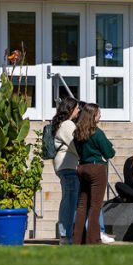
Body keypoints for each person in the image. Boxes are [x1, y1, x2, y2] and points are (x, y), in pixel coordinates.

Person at [72, 102, 115, 245]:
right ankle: (93, 239)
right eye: (98, 113)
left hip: (82, 167)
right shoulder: (97, 132)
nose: (100, 115)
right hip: (96, 168)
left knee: (82, 205)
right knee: (95, 206)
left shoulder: (77, 133)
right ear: (92, 116)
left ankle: (77, 239)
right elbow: (109, 153)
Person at [52, 96, 81, 245]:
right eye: (76, 108)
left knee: (70, 200)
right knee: (69, 201)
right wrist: (86, 156)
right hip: (68, 165)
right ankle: (65, 235)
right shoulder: (68, 124)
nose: (78, 110)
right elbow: (74, 145)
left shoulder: (63, 124)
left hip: (66, 165)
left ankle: (68, 234)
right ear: (70, 109)